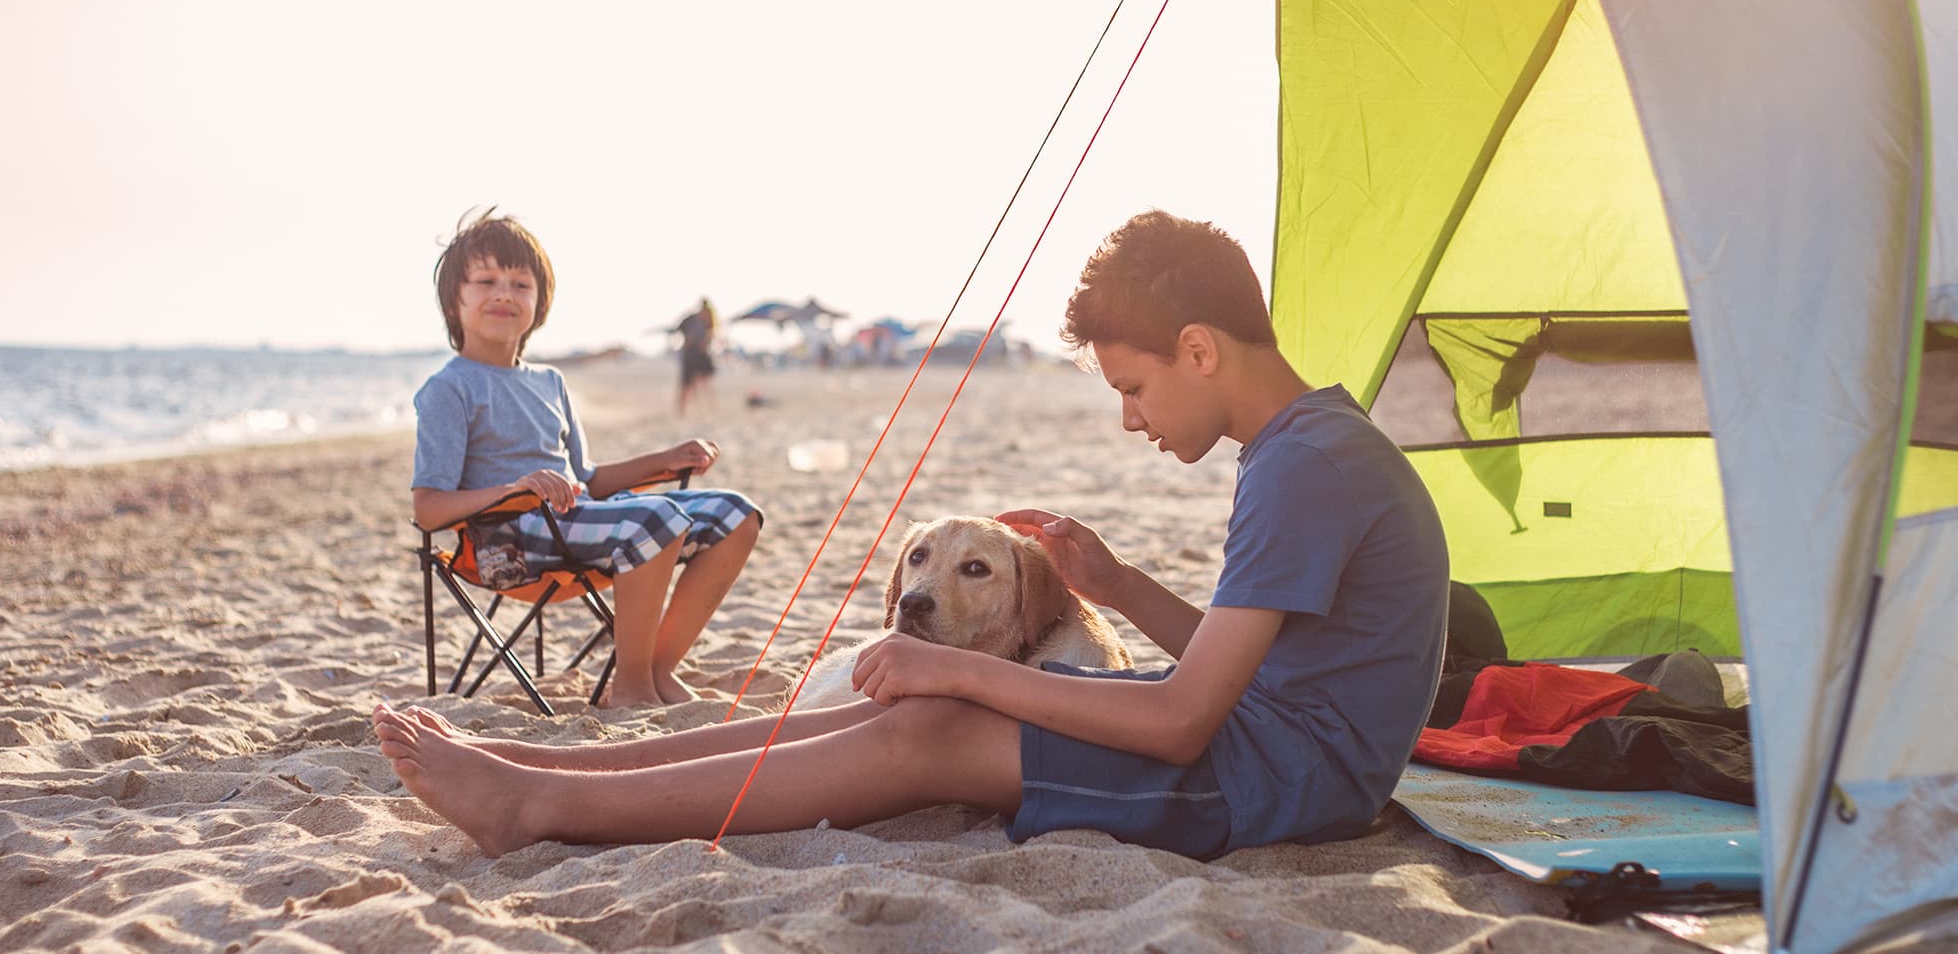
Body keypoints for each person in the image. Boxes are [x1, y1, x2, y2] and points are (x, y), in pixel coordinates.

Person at [375, 209, 1449, 856]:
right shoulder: (1307, 444)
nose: (1131, 416)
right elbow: (1238, 657)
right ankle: (534, 765)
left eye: (1132, 386)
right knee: (878, 710)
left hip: (1274, 782)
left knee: (925, 727)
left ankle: (541, 803)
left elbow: (1176, 721)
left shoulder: (1303, 464)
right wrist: (1115, 586)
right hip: (1262, 738)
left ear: (1199, 350)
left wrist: (967, 675)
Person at [411, 209, 766, 709]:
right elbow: (428, 509)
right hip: (506, 545)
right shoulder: (448, 389)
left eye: (520, 284)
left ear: (540, 302)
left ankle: (656, 668)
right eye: (486, 281)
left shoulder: (549, 382)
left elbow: (589, 481)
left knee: (736, 514)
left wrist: (663, 460)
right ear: (454, 300)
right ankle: (632, 687)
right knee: (657, 520)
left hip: (575, 525)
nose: (504, 294)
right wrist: (517, 489)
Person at [674, 298, 718, 417]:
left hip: (701, 354)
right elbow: (678, 330)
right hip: (690, 354)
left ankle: (708, 408)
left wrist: (705, 343)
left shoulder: (708, 318)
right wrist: (688, 340)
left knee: (703, 382)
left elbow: (712, 334)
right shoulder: (690, 319)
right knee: (687, 384)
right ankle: (683, 410)